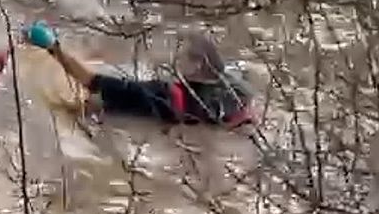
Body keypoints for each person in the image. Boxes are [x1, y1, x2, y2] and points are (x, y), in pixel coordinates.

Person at [21, 20, 254, 129]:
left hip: (149, 107)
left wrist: (53, 47)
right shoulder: (236, 87)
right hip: (193, 120)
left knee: (80, 105)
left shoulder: (156, 93)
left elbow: (89, 80)